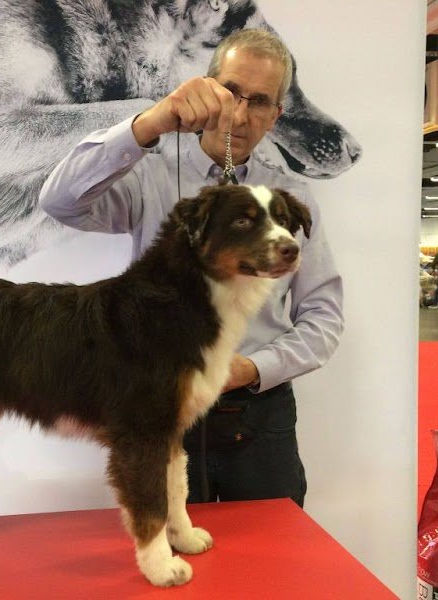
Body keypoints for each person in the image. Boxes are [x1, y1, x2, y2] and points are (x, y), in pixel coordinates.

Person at [40, 29, 343, 506]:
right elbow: (59, 202)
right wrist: (147, 125)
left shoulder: (292, 198)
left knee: (269, 560)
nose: (240, 116)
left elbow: (323, 316)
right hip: (162, 402)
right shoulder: (150, 172)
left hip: (258, 414)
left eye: (259, 102)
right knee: (169, 556)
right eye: (231, 92)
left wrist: (251, 368)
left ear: (275, 117)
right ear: (206, 87)